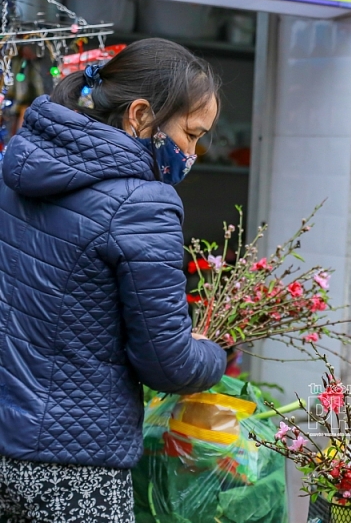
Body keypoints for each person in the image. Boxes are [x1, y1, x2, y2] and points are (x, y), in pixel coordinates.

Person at [0, 39, 227, 522]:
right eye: (191, 134)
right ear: (141, 116)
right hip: (74, 466)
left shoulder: (12, 170)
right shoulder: (143, 203)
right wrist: (212, 353)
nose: (193, 153)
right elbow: (168, 364)